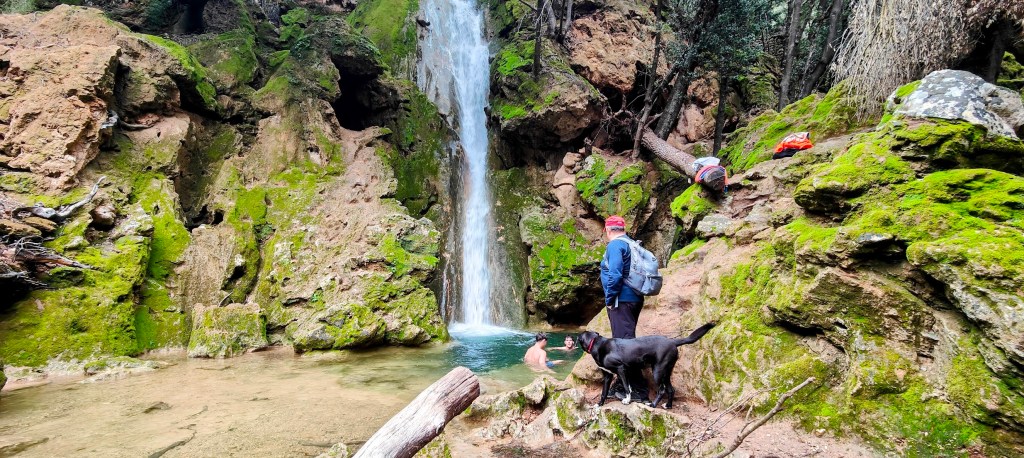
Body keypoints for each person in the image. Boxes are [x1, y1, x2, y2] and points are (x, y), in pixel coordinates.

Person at [600, 215, 650, 402]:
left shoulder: (614, 246)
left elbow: (615, 274)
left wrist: (610, 298)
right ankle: (622, 385)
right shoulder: (631, 243)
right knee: (626, 341)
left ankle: (638, 391)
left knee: (624, 347)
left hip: (622, 300)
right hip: (634, 298)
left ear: (608, 230)